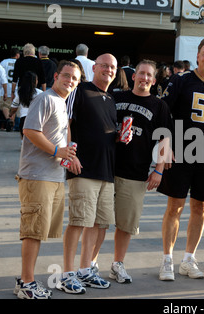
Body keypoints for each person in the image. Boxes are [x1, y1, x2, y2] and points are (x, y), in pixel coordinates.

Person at [157, 36, 204, 281]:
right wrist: (165, 142)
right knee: (174, 206)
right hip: (181, 151)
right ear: (198, 56)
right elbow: (163, 111)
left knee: (200, 207)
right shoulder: (181, 80)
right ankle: (167, 259)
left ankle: (188, 258)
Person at [14, 60, 80, 299]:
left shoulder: (61, 102)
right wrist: (56, 151)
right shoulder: (45, 99)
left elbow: (62, 134)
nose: (70, 80)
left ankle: (27, 280)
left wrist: (69, 155)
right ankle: (27, 283)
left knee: (38, 231)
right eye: (66, 76)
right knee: (32, 232)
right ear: (56, 76)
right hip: (36, 175)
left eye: (74, 78)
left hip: (53, 176)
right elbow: (30, 131)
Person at [106, 59, 174, 283]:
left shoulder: (159, 106)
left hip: (135, 173)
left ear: (154, 81)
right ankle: (89, 265)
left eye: (149, 75)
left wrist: (159, 170)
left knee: (126, 224)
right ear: (134, 76)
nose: (144, 78)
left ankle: (118, 264)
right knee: (97, 222)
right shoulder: (116, 97)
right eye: (141, 73)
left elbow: (164, 139)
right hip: (106, 169)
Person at [57, 53, 118, 294]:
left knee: (98, 224)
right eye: (104, 66)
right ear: (94, 68)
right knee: (78, 222)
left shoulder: (111, 98)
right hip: (83, 169)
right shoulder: (79, 91)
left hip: (106, 171)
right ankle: (67, 273)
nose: (108, 70)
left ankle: (85, 270)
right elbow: (66, 123)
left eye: (112, 67)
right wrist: (70, 157)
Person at [9, 71, 42, 138]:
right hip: (36, 120)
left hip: (24, 120)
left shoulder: (20, 92)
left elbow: (14, 107)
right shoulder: (40, 93)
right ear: (35, 81)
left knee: (24, 141)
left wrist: (10, 114)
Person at [0, 48, 20, 131]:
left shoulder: (4, 62)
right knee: (14, 107)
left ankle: (8, 120)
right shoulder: (19, 62)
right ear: (17, 54)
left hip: (6, 88)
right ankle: (11, 123)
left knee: (5, 106)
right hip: (16, 88)